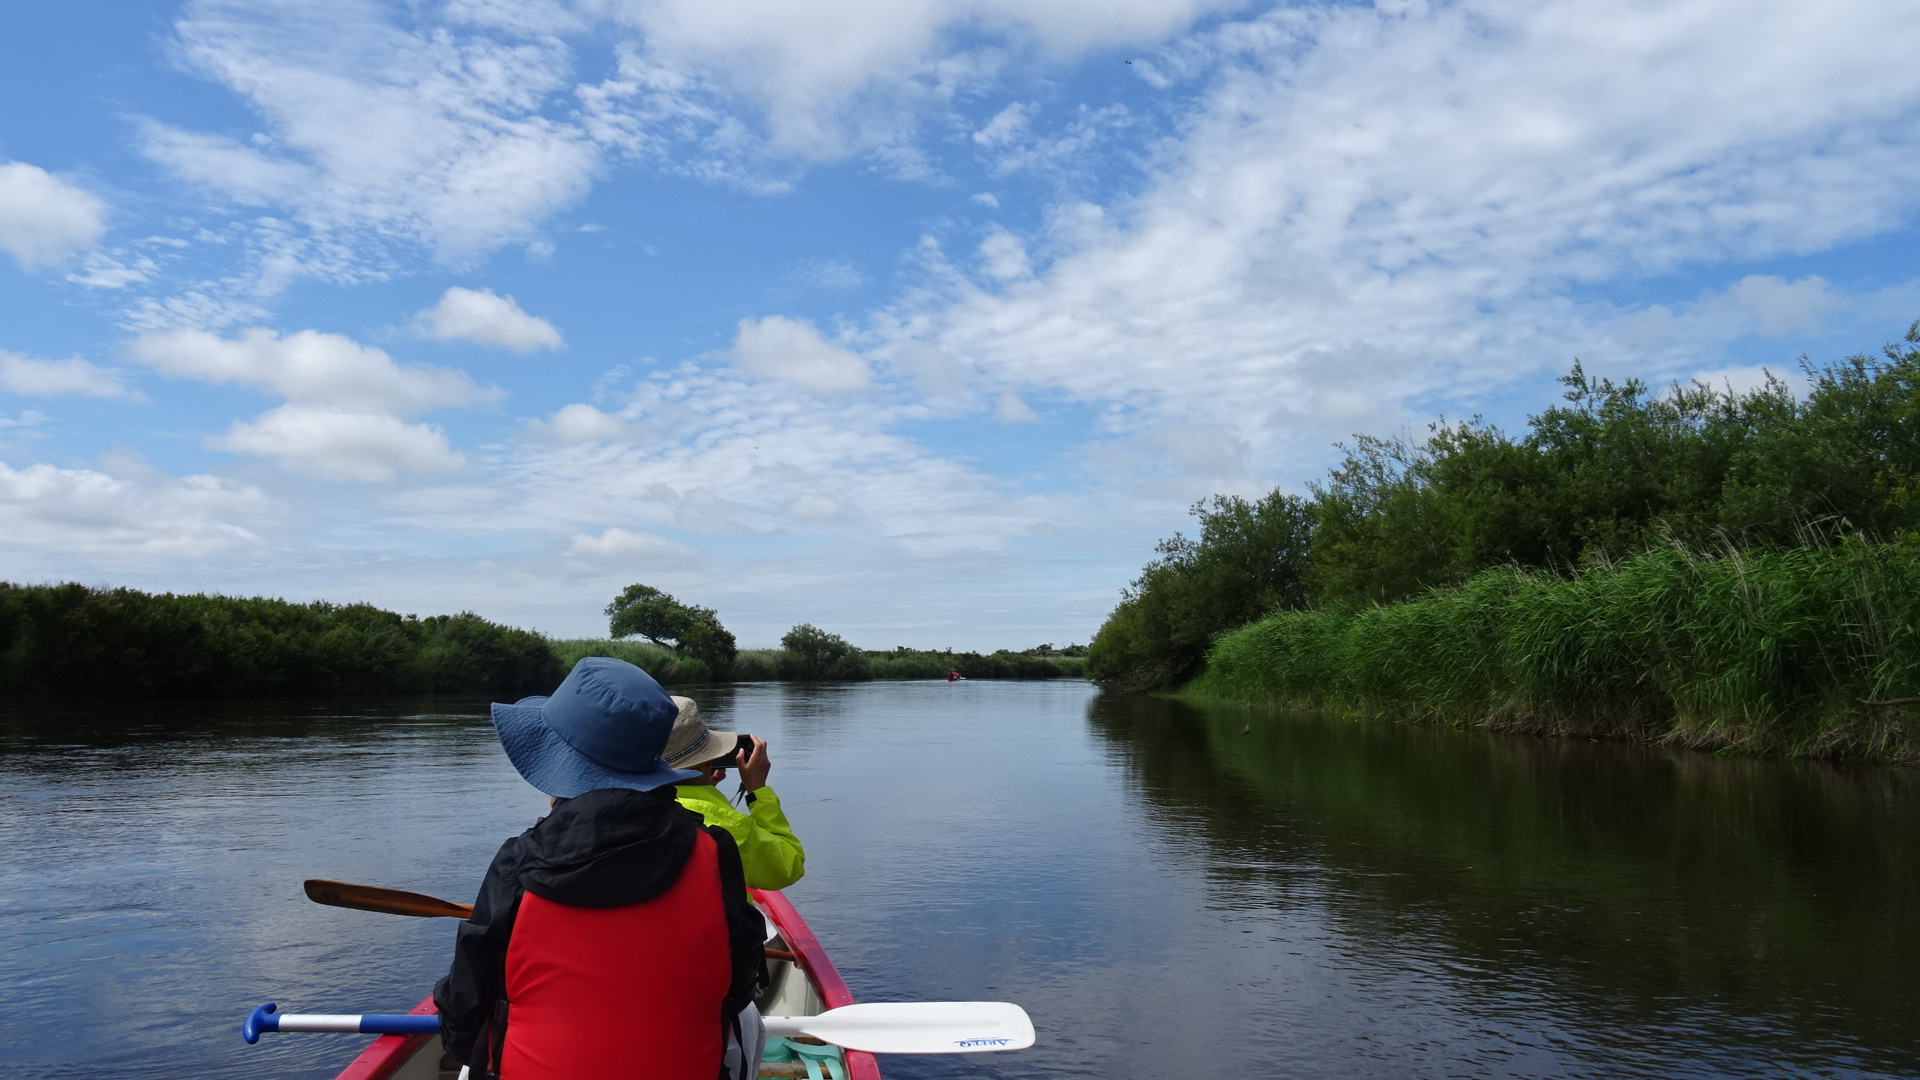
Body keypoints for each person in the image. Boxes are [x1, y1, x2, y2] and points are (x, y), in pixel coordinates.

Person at [434, 657, 767, 1080]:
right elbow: (737, 988)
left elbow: (462, 1022)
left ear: (558, 766)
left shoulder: (517, 862)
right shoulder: (715, 852)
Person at [662, 696, 806, 891]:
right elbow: (789, 865)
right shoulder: (727, 829)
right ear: (706, 762)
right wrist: (758, 791)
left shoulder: (622, 806)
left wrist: (704, 790)